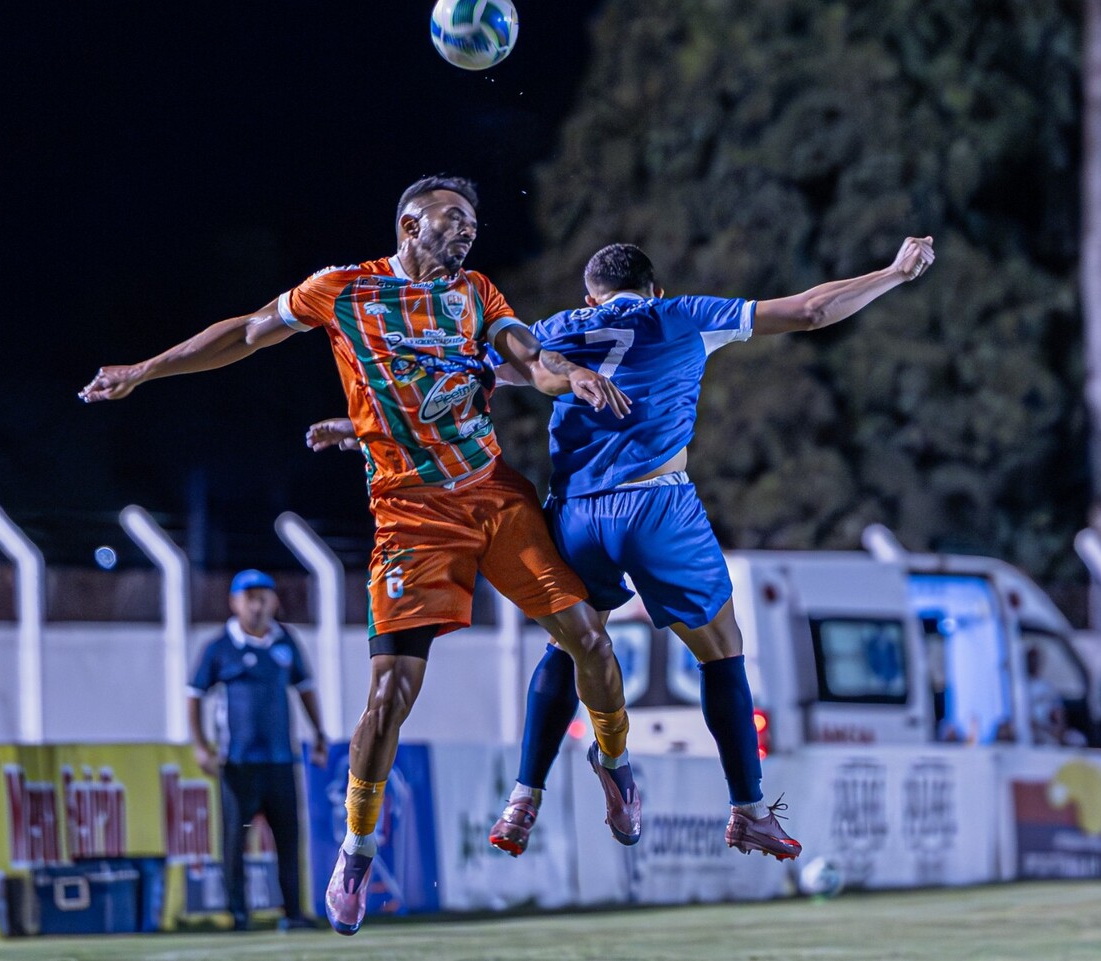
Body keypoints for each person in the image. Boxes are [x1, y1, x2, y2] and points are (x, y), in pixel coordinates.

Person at [80, 174, 640, 936]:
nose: (467, 228)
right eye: (452, 217)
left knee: (590, 638)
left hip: (492, 495)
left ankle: (614, 761)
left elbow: (527, 354)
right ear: (410, 225)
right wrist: (144, 370)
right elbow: (247, 332)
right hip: (410, 516)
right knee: (389, 696)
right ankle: (357, 847)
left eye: (473, 220)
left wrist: (567, 373)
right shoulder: (343, 290)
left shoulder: (476, 292)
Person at [311, 234, 936, 863]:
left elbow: (461, 384)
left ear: (592, 297)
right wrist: (891, 272)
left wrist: (364, 429)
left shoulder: (553, 330)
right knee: (721, 650)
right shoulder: (680, 314)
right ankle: (748, 811)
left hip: (575, 514)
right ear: (654, 289)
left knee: (572, 643)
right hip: (654, 508)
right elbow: (811, 311)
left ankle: (523, 797)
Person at [188, 570, 329, 932]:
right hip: (238, 763)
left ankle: (294, 912)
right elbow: (195, 695)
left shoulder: (286, 642)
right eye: (249, 598)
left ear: (274, 601)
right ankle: (238, 913)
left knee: (288, 839)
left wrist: (318, 732)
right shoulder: (220, 647)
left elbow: (304, 687)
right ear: (234, 603)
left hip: (280, 760)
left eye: (263, 597)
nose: (257, 606)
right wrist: (201, 746)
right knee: (236, 839)